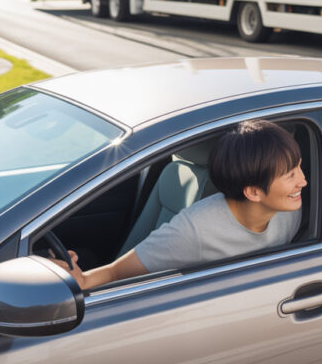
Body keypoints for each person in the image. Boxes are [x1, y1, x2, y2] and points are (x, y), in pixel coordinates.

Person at [55, 119, 306, 290]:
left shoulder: (290, 209)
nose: (304, 181)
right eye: (291, 175)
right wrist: (83, 280)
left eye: (299, 167)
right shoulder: (195, 229)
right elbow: (115, 272)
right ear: (253, 192)